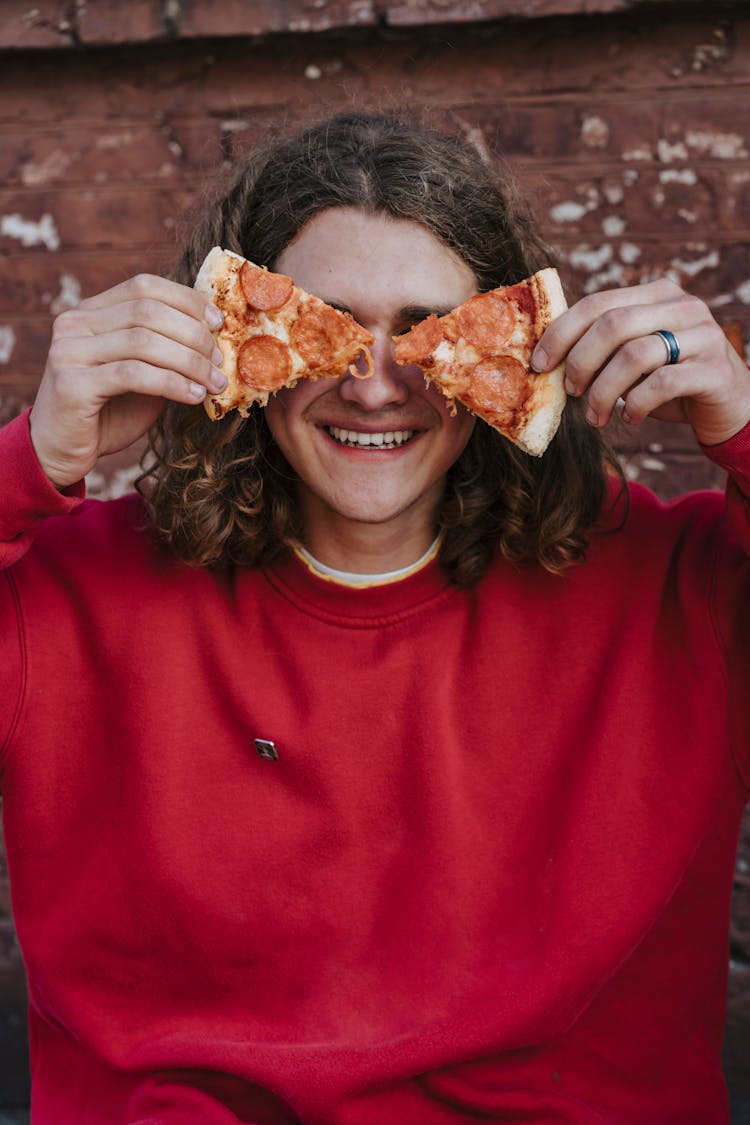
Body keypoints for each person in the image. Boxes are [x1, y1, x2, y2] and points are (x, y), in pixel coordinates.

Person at [1, 111, 749, 1125]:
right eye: (331, 326)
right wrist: (30, 460)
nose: (376, 381)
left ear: (515, 344)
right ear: (236, 340)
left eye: (428, 330)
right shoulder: (67, 593)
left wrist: (745, 431)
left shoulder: (675, 587)